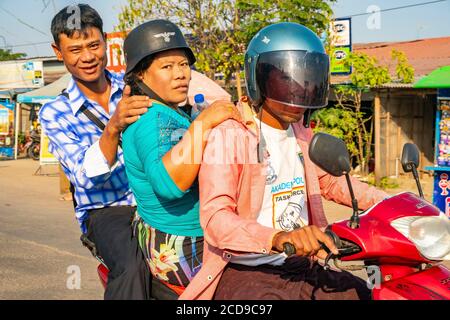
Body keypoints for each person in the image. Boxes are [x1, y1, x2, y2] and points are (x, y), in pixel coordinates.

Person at [180, 22, 389, 300]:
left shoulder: (301, 132)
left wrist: (393, 204)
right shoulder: (230, 135)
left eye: (307, 79)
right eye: (287, 78)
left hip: (303, 264)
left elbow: (331, 181)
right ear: (259, 78)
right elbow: (216, 218)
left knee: (367, 293)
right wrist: (276, 238)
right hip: (249, 270)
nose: (300, 89)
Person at [120, 20, 241, 297]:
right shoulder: (155, 119)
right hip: (187, 247)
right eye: (167, 67)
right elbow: (169, 183)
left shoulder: (165, 111)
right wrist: (204, 124)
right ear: (140, 75)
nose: (180, 75)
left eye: (183, 64)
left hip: (165, 238)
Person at [39, 4, 152, 299]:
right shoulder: (55, 112)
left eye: (93, 45)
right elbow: (86, 178)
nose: (88, 57)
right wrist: (113, 126)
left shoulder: (136, 86)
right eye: (75, 49)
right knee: (132, 265)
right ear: (58, 52)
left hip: (156, 199)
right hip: (107, 212)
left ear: (105, 41)